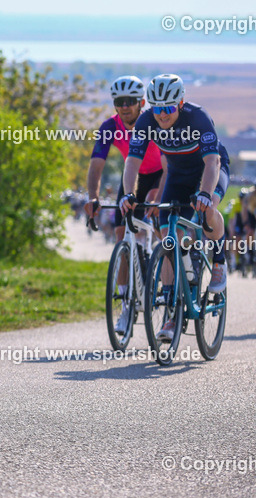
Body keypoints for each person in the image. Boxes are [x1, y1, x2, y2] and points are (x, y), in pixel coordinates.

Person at [120, 74, 228, 342]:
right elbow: (132, 162)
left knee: (208, 209)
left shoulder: (197, 117)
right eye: (157, 109)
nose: (162, 115)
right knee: (170, 237)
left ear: (180, 103)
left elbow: (212, 163)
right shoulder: (146, 121)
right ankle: (172, 311)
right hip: (179, 176)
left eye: (168, 108)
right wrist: (128, 194)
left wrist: (205, 193)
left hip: (209, 170)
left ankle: (220, 260)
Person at [84, 76, 166, 334]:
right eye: (120, 102)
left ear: (142, 102)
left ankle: (162, 268)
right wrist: (92, 197)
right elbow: (96, 163)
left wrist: (157, 198)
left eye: (131, 101)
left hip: (161, 174)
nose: (125, 106)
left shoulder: (155, 122)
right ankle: (127, 303)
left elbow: (168, 166)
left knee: (156, 226)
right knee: (121, 235)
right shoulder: (110, 126)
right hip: (133, 177)